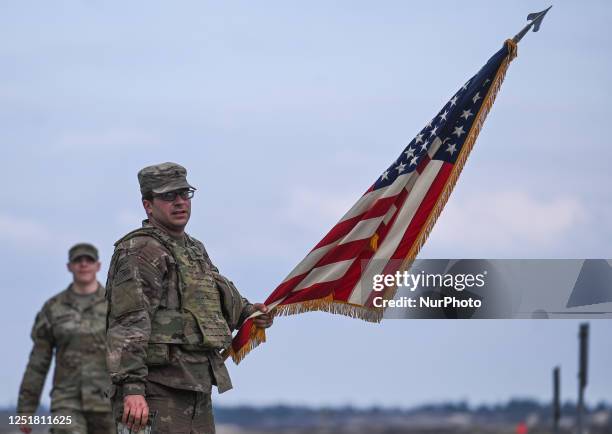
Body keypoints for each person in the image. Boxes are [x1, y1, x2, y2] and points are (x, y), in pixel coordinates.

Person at [106, 162, 273, 433]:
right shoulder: (140, 251)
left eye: (185, 194)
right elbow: (128, 324)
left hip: (196, 387)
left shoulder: (193, 248)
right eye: (169, 196)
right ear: (148, 205)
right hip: (155, 391)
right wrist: (132, 389)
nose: (180, 202)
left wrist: (250, 312)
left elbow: (211, 298)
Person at [17, 243, 113, 434]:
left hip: (108, 400)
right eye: (78, 260)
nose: (83, 265)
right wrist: (26, 409)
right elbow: (38, 362)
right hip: (66, 402)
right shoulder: (53, 308)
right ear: (69, 266)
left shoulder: (115, 304)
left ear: (98, 266)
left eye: (89, 260)